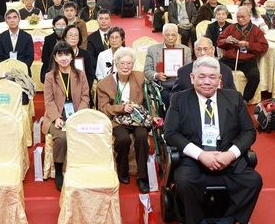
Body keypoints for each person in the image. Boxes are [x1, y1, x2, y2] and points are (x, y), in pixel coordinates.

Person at [164, 56, 261, 224]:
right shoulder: (179, 100)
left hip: (226, 157)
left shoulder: (234, 98)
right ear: (192, 78)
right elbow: (171, 133)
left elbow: (249, 132)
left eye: (212, 77)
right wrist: (200, 155)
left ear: (220, 80)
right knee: (184, 182)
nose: (207, 81)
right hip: (194, 158)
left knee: (253, 181)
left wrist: (230, 155)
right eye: (201, 77)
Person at [96, 47, 150, 193]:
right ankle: (122, 169)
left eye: (129, 63)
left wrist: (151, 115)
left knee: (142, 136)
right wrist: (121, 108)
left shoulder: (140, 77)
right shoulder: (104, 84)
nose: (126, 67)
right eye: (122, 63)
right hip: (117, 119)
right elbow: (103, 108)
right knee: (122, 139)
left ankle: (142, 176)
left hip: (137, 119)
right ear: (116, 64)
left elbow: (148, 100)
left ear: (133, 64)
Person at [43, 41, 90, 190]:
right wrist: (56, 117)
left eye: (67, 54)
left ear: (72, 56)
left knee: (86, 133)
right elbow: (48, 101)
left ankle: (81, 168)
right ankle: (58, 170)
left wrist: (78, 116)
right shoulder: (49, 76)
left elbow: (85, 97)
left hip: (77, 114)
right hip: (56, 115)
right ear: (55, 58)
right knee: (62, 137)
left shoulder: (80, 74)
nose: (64, 58)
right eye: (60, 55)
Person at [217, 7, 269, 102]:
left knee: (254, 76)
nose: (240, 19)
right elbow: (219, 42)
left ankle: (244, 99)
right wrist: (226, 40)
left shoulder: (255, 30)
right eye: (238, 17)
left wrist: (248, 45)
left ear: (249, 16)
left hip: (247, 60)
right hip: (229, 59)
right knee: (215, 69)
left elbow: (264, 46)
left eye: (243, 17)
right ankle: (223, 95)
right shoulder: (231, 27)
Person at [171, 38, 236, 95]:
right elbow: (174, 97)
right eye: (199, 49)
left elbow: (233, 95)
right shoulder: (183, 72)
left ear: (213, 49)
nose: (202, 53)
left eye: (205, 49)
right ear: (194, 50)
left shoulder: (226, 70)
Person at [144, 23, 192, 94]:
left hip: (180, 85)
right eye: (167, 35)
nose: (170, 38)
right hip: (161, 86)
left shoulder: (186, 50)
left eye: (173, 35)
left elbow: (189, 70)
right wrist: (156, 75)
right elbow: (147, 70)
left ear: (177, 36)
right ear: (163, 35)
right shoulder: (152, 50)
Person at [62, 24, 95, 90]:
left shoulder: (86, 54)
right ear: (65, 38)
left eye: (76, 35)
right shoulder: (60, 54)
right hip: (64, 89)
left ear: (79, 38)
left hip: (83, 90)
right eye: (70, 35)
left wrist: (85, 90)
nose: (73, 37)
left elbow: (90, 75)